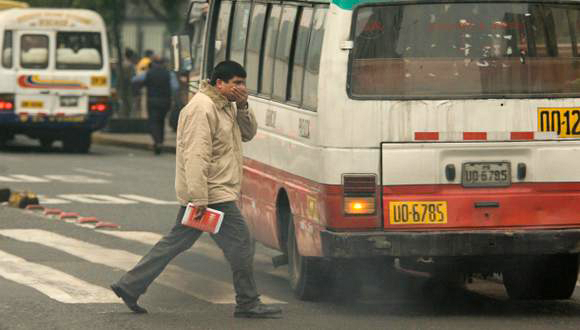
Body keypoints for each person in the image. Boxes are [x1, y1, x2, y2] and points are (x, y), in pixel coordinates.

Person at [111, 60, 283, 319]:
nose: (241, 88)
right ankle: (247, 302)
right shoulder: (202, 108)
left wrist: (243, 106)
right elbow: (196, 155)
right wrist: (199, 197)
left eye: (243, 83)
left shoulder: (225, 106)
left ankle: (129, 286)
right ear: (219, 83)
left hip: (212, 191)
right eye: (236, 83)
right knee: (242, 243)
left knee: (174, 243)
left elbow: (247, 133)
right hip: (212, 194)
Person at [131, 56, 178, 154]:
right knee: (161, 121)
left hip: (152, 101)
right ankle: (160, 141)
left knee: (153, 122)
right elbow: (175, 87)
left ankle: (157, 142)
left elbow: (135, 80)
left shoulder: (148, 73)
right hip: (165, 101)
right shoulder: (169, 74)